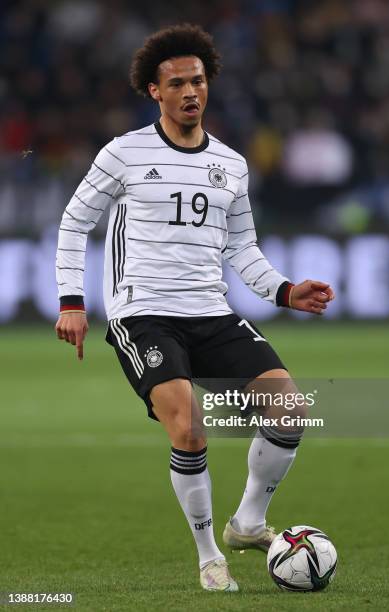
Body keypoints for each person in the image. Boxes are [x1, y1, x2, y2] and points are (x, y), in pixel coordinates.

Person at [54, 24, 334, 592]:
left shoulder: (230, 164)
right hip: (144, 314)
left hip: (211, 310)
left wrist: (284, 291)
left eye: (198, 81)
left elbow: (242, 248)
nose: (190, 91)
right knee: (189, 428)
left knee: (290, 411)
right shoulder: (124, 153)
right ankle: (210, 556)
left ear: (209, 86)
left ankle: (248, 522)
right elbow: (74, 220)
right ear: (154, 92)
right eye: (177, 82)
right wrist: (71, 301)